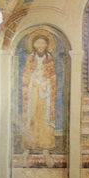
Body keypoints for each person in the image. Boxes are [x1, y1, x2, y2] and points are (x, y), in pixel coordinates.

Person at [21, 32, 58, 166]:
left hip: (46, 94)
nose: (40, 45)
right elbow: (25, 75)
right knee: (31, 117)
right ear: (34, 45)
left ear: (47, 45)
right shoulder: (30, 58)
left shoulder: (49, 58)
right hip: (32, 92)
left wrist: (47, 82)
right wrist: (34, 79)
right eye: (38, 43)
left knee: (44, 118)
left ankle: (46, 149)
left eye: (43, 43)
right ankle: (27, 148)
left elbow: (53, 76)